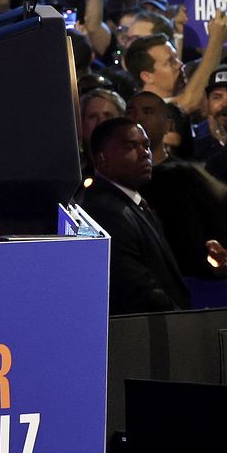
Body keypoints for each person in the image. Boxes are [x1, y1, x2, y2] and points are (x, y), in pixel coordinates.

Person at [79, 118, 192, 313]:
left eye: (146, 146)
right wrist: (183, 321)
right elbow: (135, 287)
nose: (144, 154)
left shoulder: (133, 203)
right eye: (131, 147)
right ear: (102, 157)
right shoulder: (106, 211)